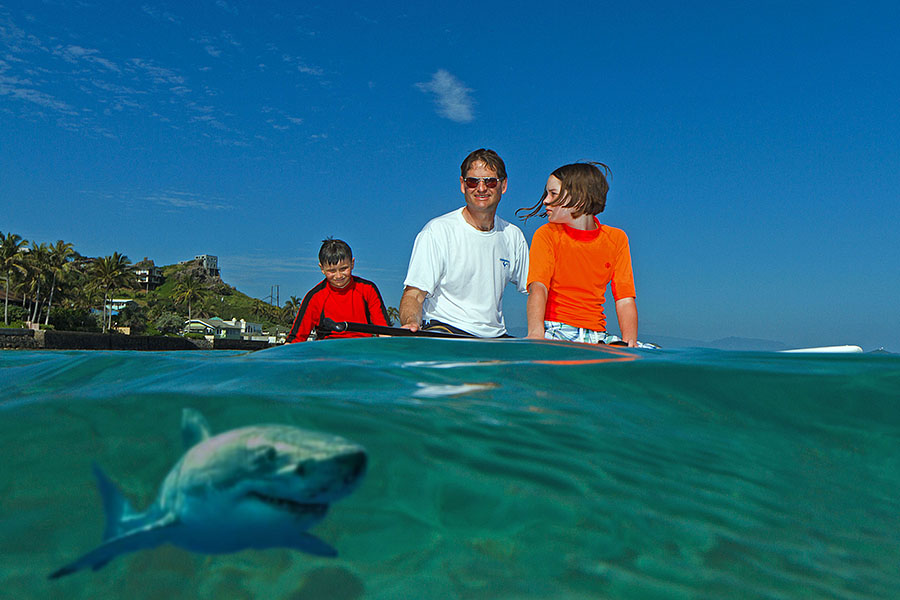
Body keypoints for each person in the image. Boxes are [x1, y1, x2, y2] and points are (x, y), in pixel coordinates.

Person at [399, 148, 529, 337]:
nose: (481, 188)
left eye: (490, 181)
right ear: (462, 184)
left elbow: (535, 288)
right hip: (445, 332)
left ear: (503, 185)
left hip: (496, 338)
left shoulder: (513, 236)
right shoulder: (437, 231)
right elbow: (414, 294)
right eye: (472, 181)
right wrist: (411, 322)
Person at [518, 162, 639, 347]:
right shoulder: (546, 235)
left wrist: (630, 344)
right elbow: (538, 287)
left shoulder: (617, 239)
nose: (545, 201)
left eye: (553, 194)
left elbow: (624, 298)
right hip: (556, 330)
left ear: (579, 199)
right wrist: (536, 334)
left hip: (598, 335)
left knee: (657, 355)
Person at [287, 238, 390, 342]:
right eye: (332, 271)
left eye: (343, 269)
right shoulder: (315, 297)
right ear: (322, 268)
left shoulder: (368, 289)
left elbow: (384, 331)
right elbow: (295, 338)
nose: (338, 276)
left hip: (361, 350)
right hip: (328, 352)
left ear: (352, 263)